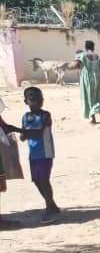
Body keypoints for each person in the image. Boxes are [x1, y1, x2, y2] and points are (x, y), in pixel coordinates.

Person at [18, 87, 59, 222]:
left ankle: (49, 207)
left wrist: (17, 129)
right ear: (26, 101)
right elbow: (23, 136)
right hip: (33, 154)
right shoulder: (25, 117)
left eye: (39, 99)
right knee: (37, 181)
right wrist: (21, 133)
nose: (37, 102)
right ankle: (52, 204)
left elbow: (39, 131)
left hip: (45, 153)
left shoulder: (45, 115)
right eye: (33, 100)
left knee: (44, 180)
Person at [76, 40, 100, 124]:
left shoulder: (83, 55)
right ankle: (98, 108)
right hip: (98, 78)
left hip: (87, 78)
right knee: (96, 96)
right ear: (93, 47)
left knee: (88, 97)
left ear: (85, 47)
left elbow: (77, 64)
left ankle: (93, 119)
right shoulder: (97, 56)